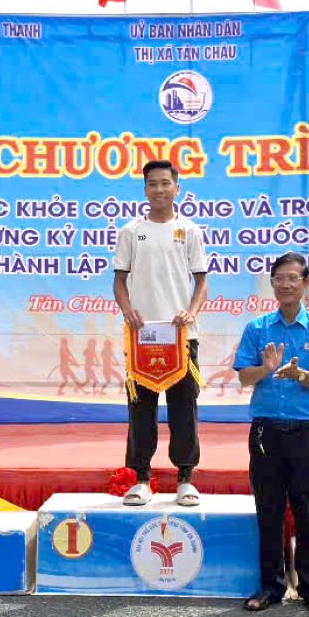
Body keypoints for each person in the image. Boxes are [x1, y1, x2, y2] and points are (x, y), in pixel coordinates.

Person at [233, 252, 309, 616]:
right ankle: (270, 585)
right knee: (269, 509)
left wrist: (300, 376)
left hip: (306, 431)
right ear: (273, 283)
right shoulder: (258, 328)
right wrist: (265, 369)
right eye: (279, 278)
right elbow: (244, 376)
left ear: (307, 283)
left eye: (294, 278)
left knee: (306, 508)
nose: (286, 284)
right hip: (265, 431)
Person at [113, 160, 208, 506]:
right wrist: (128, 311)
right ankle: (140, 478)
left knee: (184, 408)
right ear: (145, 190)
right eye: (152, 184)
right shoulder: (130, 231)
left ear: (177, 188)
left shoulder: (191, 231)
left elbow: (201, 281)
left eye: (165, 183)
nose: (159, 190)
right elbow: (119, 280)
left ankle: (185, 478)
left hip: (181, 336)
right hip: (141, 336)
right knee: (141, 409)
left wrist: (191, 313)